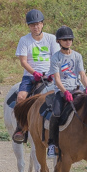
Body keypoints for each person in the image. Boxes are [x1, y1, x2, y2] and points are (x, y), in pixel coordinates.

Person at [45, 26, 87, 158]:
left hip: (77, 89)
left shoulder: (77, 56)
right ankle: (52, 144)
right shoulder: (56, 58)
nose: (68, 41)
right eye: (65, 39)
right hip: (62, 90)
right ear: (59, 41)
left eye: (70, 39)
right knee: (56, 113)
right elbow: (57, 79)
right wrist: (64, 92)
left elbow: (82, 74)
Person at [11, 9, 59, 143]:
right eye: (32, 25)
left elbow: (56, 58)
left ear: (42, 24)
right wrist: (34, 73)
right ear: (29, 26)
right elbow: (23, 61)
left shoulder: (51, 39)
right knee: (21, 97)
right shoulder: (24, 40)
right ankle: (20, 128)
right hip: (30, 75)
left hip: (50, 75)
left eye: (38, 24)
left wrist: (51, 73)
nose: (35, 27)